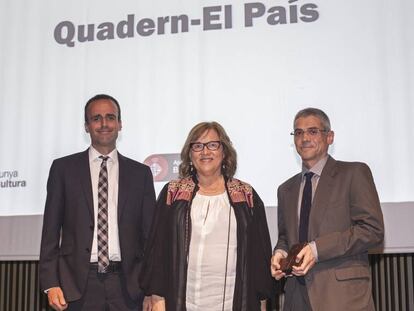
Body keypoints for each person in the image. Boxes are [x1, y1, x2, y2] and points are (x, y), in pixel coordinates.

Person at [140, 121, 274, 311]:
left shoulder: (246, 195)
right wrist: (157, 298)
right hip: (182, 301)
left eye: (213, 145)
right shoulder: (173, 193)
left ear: (224, 151)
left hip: (234, 302)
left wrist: (261, 302)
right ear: (189, 153)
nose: (205, 152)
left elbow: (259, 255)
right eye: (197, 146)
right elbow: (157, 251)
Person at [39, 94, 156, 311]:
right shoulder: (63, 170)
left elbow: (150, 238)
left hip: (129, 286)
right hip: (76, 286)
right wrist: (51, 283)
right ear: (86, 126)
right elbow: (50, 232)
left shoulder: (140, 174)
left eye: (110, 117)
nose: (104, 124)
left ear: (120, 124)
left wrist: (152, 289)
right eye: (96, 118)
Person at [271, 108, 384, 310]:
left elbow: (372, 230)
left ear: (329, 137)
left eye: (312, 131)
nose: (304, 138)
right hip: (296, 298)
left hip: (343, 298)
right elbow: (285, 237)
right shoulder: (285, 189)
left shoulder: (354, 173)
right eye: (298, 132)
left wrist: (317, 250)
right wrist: (280, 252)